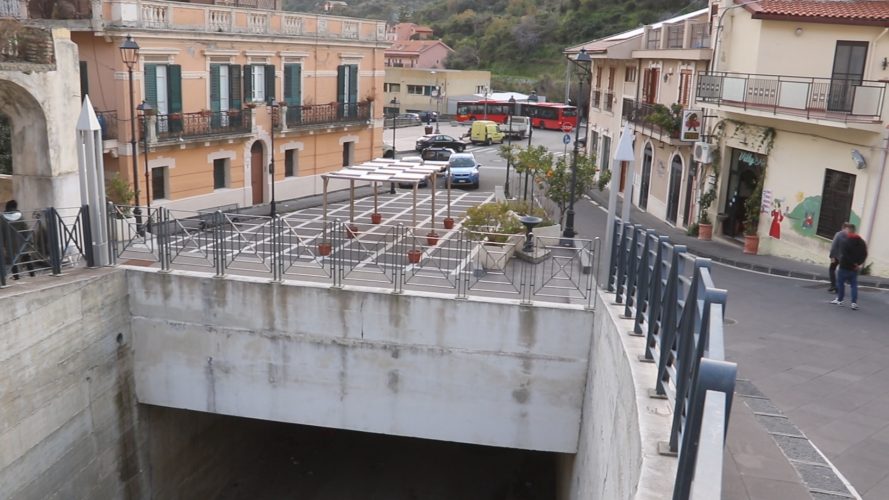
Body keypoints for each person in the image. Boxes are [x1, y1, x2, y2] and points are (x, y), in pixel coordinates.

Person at [830, 223, 868, 310]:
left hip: (844, 266)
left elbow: (845, 254)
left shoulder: (845, 241)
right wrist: (858, 263)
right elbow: (865, 254)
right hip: (854, 269)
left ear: (849, 231)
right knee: (854, 285)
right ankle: (853, 303)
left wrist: (852, 263)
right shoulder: (861, 242)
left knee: (841, 283)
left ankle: (840, 300)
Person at [1, 199, 36, 280]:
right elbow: (26, 230)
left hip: (10, 244)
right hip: (22, 242)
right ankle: (32, 275)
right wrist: (30, 242)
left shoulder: (2, 218)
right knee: (27, 257)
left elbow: (1, 232)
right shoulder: (20, 216)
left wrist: (2, 244)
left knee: (13, 261)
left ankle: (16, 276)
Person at [827, 223, 851, 293]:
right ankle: (836, 286)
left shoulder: (838, 234)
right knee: (838, 271)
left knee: (832, 270)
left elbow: (833, 245)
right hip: (842, 258)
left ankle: (833, 286)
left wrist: (831, 256)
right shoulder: (849, 236)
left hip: (836, 256)